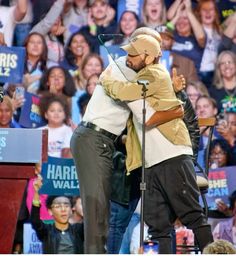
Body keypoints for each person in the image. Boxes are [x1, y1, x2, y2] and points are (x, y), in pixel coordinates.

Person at [70, 27, 185, 253]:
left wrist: (170, 89)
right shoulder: (127, 68)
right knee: (96, 211)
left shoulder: (139, 71)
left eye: (136, 52)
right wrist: (174, 106)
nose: (130, 56)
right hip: (93, 138)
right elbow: (146, 114)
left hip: (101, 141)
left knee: (100, 214)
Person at [100, 32, 213, 253]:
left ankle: (213, 252)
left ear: (149, 57)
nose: (129, 58)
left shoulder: (154, 74)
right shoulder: (145, 75)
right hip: (150, 162)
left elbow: (127, 92)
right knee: (157, 224)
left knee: (192, 215)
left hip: (172, 156)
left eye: (133, 54)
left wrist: (106, 81)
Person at [30, 175, 84, 254]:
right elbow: (35, 220)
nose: (63, 209)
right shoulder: (46, 231)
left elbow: (92, 218)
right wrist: (37, 192)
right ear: (50, 211)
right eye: (58, 206)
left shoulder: (78, 230)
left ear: (71, 210)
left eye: (66, 205)